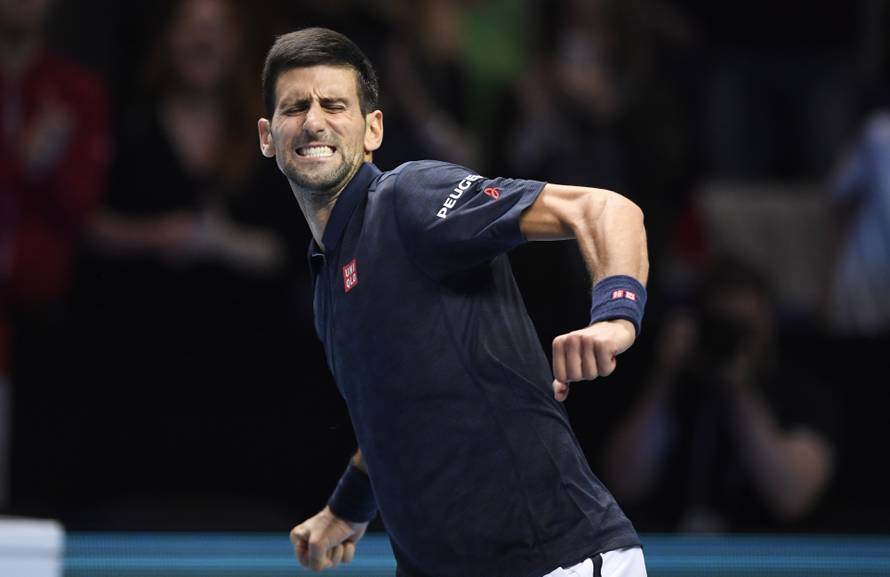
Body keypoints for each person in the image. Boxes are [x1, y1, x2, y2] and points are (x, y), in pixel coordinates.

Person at [257, 28, 649, 576]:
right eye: (295, 107)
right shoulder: (328, 279)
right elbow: (394, 409)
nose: (314, 121)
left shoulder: (406, 200)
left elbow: (606, 210)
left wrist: (615, 318)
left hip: (557, 563)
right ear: (268, 137)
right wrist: (346, 509)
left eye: (334, 104)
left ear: (373, 129)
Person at [601, 257, 836, 532]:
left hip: (767, 557)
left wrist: (740, 390)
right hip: (672, 551)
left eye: (744, 328)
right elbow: (625, 482)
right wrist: (664, 376)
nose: (731, 339)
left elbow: (792, 496)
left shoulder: (804, 393)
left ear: (770, 326)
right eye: (721, 326)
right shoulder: (671, 384)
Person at [0, 0, 108, 509]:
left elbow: (84, 205)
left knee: (39, 493)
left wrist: (45, 166)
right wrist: (22, 161)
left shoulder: (73, 90)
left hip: (46, 312)